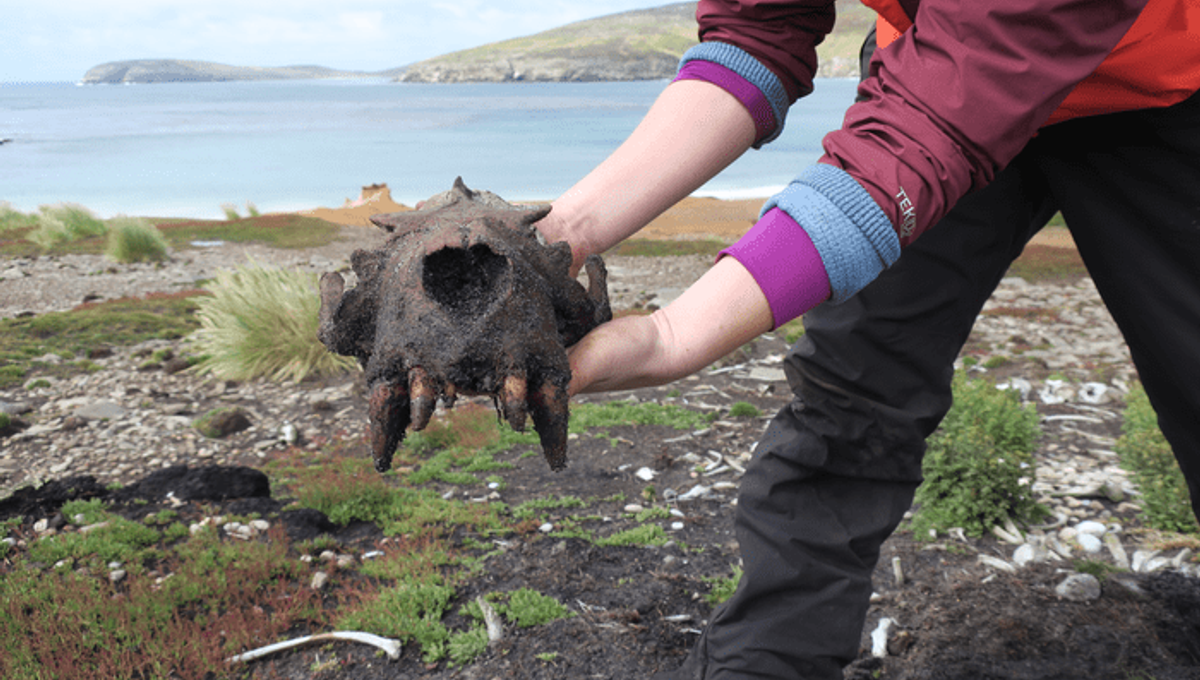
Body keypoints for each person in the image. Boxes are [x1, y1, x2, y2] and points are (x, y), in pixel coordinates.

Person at [534, 0, 1200, 677]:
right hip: (933, 65)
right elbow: (759, 28)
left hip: (1163, 81)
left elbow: (967, 86)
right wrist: (559, 234)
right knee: (851, 391)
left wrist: (674, 334)